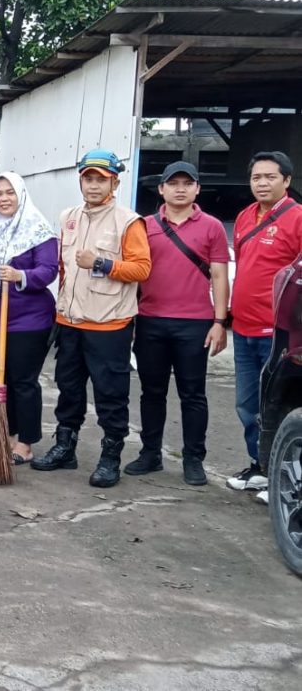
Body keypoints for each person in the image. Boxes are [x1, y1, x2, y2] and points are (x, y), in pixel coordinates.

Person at [32, 150, 152, 488]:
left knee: (111, 395)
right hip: (70, 322)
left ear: (114, 181)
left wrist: (102, 263)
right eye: (88, 178)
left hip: (109, 325)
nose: (94, 184)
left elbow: (142, 268)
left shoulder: (128, 221)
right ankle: (64, 448)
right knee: (68, 390)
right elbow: (61, 266)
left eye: (101, 178)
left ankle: (110, 458)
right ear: (81, 181)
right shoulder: (68, 216)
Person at [126, 162, 229, 486]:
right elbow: (133, 273)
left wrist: (220, 322)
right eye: (173, 183)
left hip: (195, 324)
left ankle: (193, 458)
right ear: (161, 189)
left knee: (193, 394)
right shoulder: (144, 225)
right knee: (151, 392)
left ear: (197, 189)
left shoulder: (211, 227)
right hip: (151, 320)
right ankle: (150, 453)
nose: (180, 188)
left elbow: (219, 275)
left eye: (187, 183)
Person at [227, 150, 302, 497]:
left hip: (279, 334)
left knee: (278, 405)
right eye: (256, 177)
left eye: (270, 177)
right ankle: (259, 467)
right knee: (248, 403)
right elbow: (244, 266)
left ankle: (284, 478)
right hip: (243, 329)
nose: (262, 183)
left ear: (286, 180)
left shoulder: (298, 217)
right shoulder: (244, 217)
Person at [0, 172, 59, 465]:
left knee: (24, 381)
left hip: (29, 321)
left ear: (21, 195)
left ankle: (25, 442)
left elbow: (49, 270)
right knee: (1, 381)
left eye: (10, 192)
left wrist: (20, 275)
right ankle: (7, 435)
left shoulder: (38, 231)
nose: (4, 199)